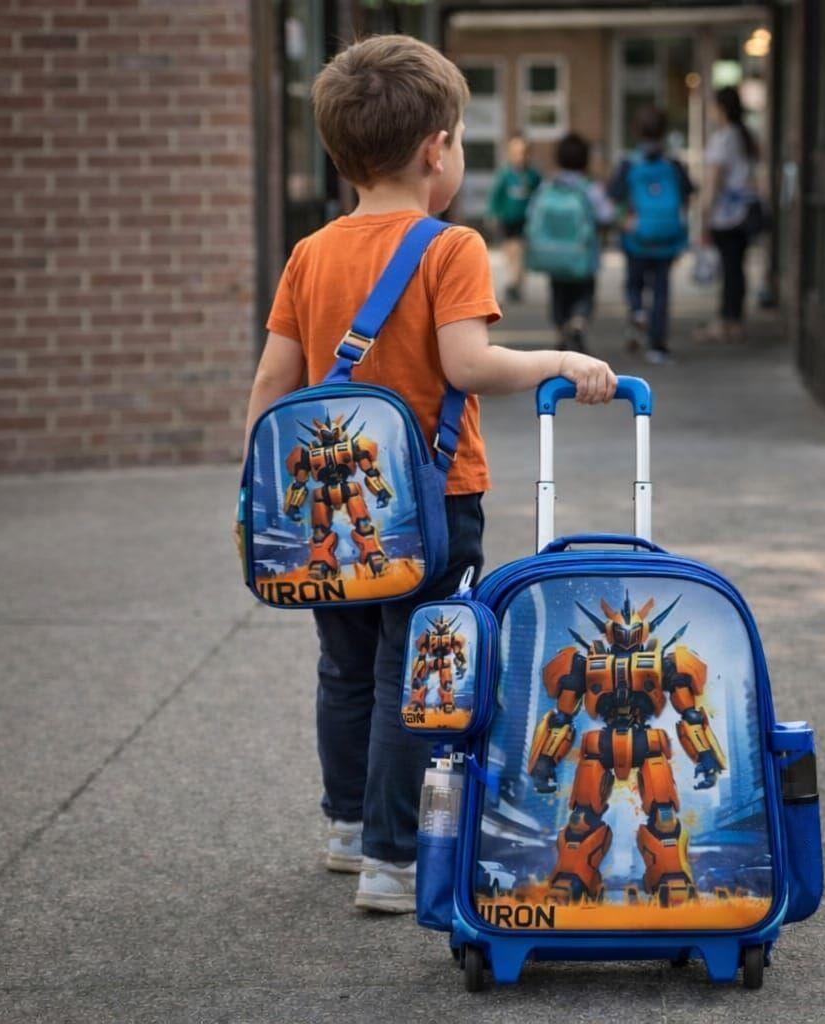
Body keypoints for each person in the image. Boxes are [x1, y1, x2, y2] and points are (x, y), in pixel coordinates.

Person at [239, 36, 618, 914]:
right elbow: (469, 365)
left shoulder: (310, 254)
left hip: (329, 518)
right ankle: (393, 857)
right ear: (436, 148)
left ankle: (344, 828)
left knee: (343, 666)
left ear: (341, 155)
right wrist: (558, 356)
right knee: (415, 670)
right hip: (434, 500)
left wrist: (258, 502)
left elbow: (272, 384)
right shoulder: (451, 248)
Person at [608, 106, 694, 365]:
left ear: (636, 131)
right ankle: (657, 346)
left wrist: (625, 220)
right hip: (667, 237)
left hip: (637, 236)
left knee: (634, 283)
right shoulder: (674, 164)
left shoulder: (628, 164)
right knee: (661, 291)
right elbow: (687, 195)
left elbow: (614, 196)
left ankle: (637, 311)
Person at [526, 132, 614, 354]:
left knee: (558, 294)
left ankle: (561, 330)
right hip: (582, 256)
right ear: (585, 160)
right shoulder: (589, 189)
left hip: (553, 255)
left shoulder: (547, 187)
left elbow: (532, 214)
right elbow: (607, 215)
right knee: (584, 294)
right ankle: (577, 323)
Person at [697, 85, 760, 344]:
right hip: (745, 211)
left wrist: (704, 214)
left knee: (728, 270)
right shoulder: (747, 135)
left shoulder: (722, 138)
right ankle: (736, 321)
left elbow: (713, 182)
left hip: (725, 215)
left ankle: (726, 323)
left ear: (720, 108)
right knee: (737, 269)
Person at [487, 134, 541, 303]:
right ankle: (514, 280)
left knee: (520, 251)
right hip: (508, 218)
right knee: (511, 251)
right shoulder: (505, 175)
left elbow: (540, 195)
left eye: (523, 153)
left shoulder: (533, 175)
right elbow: (496, 196)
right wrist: (493, 214)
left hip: (525, 219)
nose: (520, 157)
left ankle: (515, 283)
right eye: (516, 153)